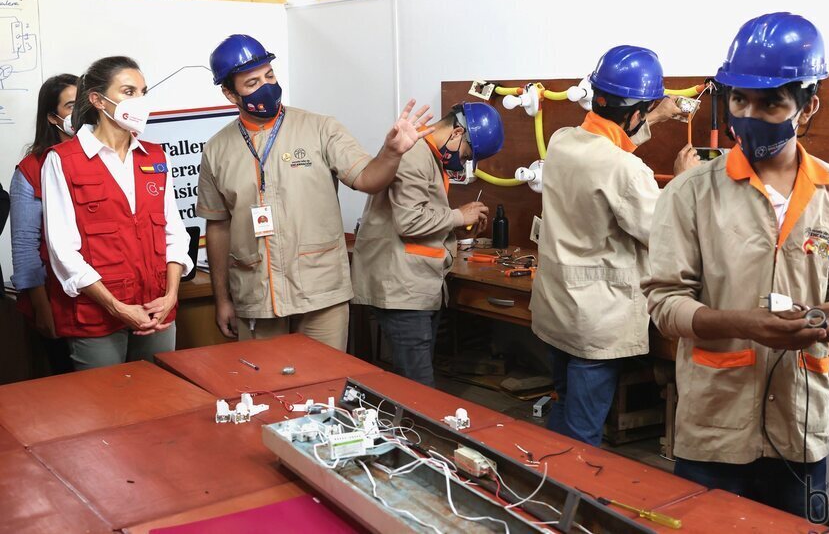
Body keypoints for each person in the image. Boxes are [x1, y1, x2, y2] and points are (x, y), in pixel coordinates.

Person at [643, 13, 829, 519]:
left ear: (808, 105)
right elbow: (664, 304)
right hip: (713, 427)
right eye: (739, 99)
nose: (749, 114)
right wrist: (741, 324)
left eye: (771, 102)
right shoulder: (690, 193)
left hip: (801, 422)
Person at [197, 34, 434, 350]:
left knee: (325, 389)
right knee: (268, 390)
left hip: (321, 291)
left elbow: (368, 179)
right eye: (252, 83)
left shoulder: (321, 128)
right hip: (257, 295)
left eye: (270, 75)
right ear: (230, 93)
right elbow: (218, 225)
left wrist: (391, 153)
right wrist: (222, 299)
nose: (266, 87)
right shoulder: (217, 149)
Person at [530, 45, 700, 446]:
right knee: (584, 432)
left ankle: (543, 495)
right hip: (595, 318)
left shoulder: (560, 141)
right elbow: (662, 230)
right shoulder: (625, 169)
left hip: (557, 307)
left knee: (564, 409)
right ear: (635, 111)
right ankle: (571, 501)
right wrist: (682, 180)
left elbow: (605, 152)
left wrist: (653, 114)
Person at [41, 57, 193, 370]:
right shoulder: (63, 160)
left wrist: (171, 296)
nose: (139, 101)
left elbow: (174, 233)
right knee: (108, 410)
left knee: (162, 403)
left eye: (143, 92)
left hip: (157, 309)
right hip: (98, 316)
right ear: (97, 99)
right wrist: (116, 306)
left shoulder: (154, 156)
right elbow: (62, 251)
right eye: (128, 91)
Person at [352, 102, 504, 386]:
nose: (464, 161)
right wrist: (459, 216)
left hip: (414, 284)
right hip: (402, 287)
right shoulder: (414, 154)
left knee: (413, 381)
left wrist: (457, 229)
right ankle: (417, 430)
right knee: (418, 387)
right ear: (457, 133)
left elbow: (419, 213)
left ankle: (408, 427)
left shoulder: (429, 155)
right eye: (467, 154)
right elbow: (409, 221)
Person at [9, 73, 78, 374]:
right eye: (70, 106)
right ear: (52, 117)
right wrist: (42, 307)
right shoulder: (31, 170)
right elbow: (24, 245)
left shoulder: (107, 157)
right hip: (57, 299)